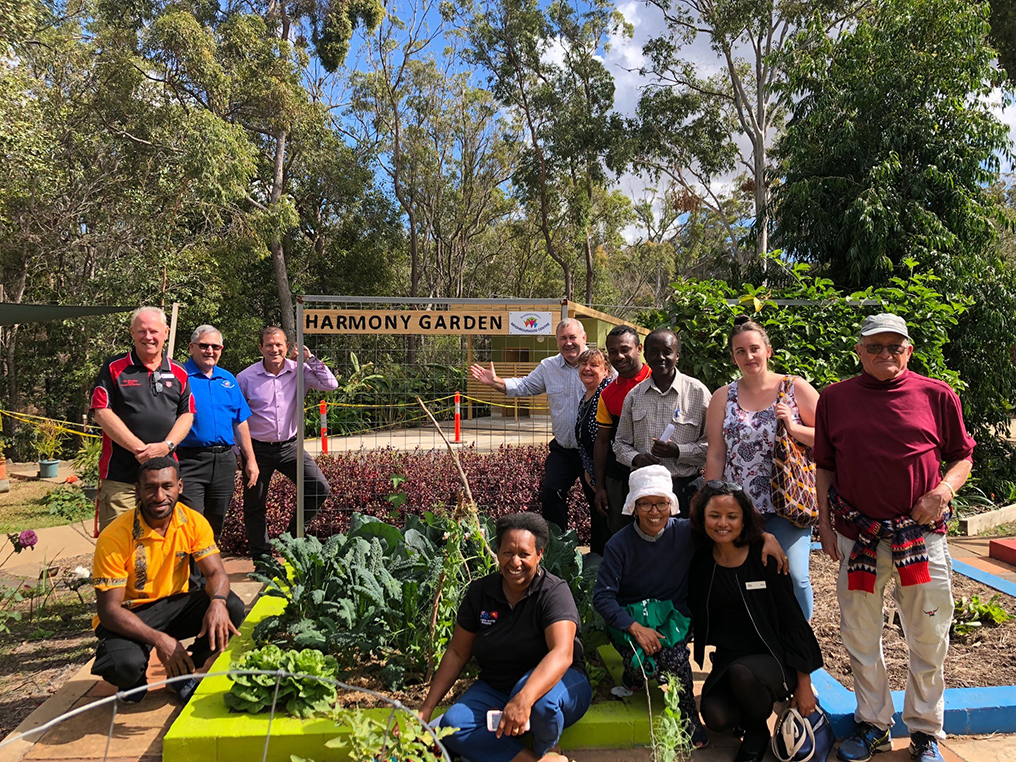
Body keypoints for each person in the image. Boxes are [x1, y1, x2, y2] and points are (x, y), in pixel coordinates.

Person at [813, 314, 974, 762]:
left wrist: (942, 491)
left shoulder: (936, 395)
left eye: (894, 346)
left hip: (919, 538)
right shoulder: (835, 398)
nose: (885, 354)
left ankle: (924, 731)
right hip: (857, 537)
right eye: (875, 347)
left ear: (909, 349)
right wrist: (825, 526)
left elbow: (963, 456)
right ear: (859, 351)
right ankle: (873, 724)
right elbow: (824, 465)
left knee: (928, 634)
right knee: (860, 635)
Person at [419, 513, 591, 762]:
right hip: (497, 686)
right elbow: (457, 652)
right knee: (454, 725)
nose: (515, 562)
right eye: (508, 553)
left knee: (542, 707)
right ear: (497, 552)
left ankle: (549, 750)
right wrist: (426, 710)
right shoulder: (481, 592)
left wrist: (523, 699)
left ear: (540, 554)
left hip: (559, 684)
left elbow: (561, 653)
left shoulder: (553, 592)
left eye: (524, 554)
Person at [90, 457, 245, 702]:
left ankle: (184, 671)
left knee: (231, 607)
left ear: (180, 486)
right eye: (150, 488)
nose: (160, 496)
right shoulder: (115, 536)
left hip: (175, 604)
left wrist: (217, 602)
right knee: (122, 666)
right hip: (131, 612)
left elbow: (217, 574)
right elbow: (109, 610)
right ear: (137, 490)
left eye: (167, 486)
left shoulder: (192, 521)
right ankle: (136, 680)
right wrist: (161, 641)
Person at [688, 481, 823, 762]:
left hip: (773, 657)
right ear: (703, 518)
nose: (722, 523)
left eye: (732, 516)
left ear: (744, 519)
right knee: (715, 717)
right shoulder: (701, 562)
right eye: (714, 516)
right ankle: (751, 711)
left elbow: (793, 621)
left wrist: (804, 683)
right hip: (728, 659)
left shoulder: (765, 558)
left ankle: (757, 732)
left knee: (743, 673)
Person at [704, 316, 820, 619]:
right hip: (739, 507)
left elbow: (831, 437)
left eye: (754, 349)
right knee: (747, 576)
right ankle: (758, 646)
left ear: (768, 350)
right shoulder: (723, 396)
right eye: (740, 352)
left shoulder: (794, 388)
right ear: (733, 357)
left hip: (788, 502)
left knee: (793, 576)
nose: (748, 357)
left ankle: (800, 645)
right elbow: (716, 454)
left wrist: (793, 427)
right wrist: (710, 501)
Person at [592, 465, 708, 748]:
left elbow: (729, 532)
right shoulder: (619, 545)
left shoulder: (686, 534)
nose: (654, 511)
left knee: (675, 659)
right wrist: (635, 628)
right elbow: (603, 598)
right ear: (634, 506)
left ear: (672, 504)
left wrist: (765, 539)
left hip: (673, 619)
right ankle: (635, 673)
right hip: (630, 621)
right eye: (645, 504)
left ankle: (688, 715)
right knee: (645, 660)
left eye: (661, 503)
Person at [471, 319, 611, 531]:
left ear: (584, 338)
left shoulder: (599, 364)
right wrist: (496, 382)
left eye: (573, 337)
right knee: (551, 491)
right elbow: (525, 386)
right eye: (563, 338)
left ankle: (601, 556)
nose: (568, 343)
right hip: (563, 449)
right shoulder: (549, 367)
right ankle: (557, 549)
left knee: (598, 501)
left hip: (594, 451)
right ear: (557, 342)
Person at [237, 327, 338, 561]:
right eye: (269, 345)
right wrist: (240, 452)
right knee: (255, 505)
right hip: (257, 449)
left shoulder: (299, 371)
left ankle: (290, 540)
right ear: (260, 348)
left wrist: (309, 359)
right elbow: (236, 417)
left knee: (319, 488)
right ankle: (262, 560)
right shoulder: (245, 378)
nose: (274, 349)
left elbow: (330, 384)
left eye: (279, 344)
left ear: (287, 347)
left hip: (290, 448)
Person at [90, 306, 195, 532]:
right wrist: (141, 450)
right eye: (142, 331)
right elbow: (101, 411)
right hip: (121, 479)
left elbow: (187, 414)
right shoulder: (114, 368)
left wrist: (166, 446)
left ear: (166, 332)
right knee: (118, 545)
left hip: (164, 481)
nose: (148, 337)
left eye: (154, 331)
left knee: (164, 544)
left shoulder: (179, 371)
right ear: (132, 333)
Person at [613, 328, 709, 517]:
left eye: (667, 351)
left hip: (685, 488)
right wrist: (636, 458)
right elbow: (620, 444)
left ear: (677, 355)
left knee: (688, 543)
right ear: (645, 355)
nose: (660, 357)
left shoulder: (698, 393)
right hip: (646, 490)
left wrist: (678, 451)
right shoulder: (634, 396)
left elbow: (713, 446)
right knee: (649, 544)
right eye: (654, 352)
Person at [177, 325, 259, 543]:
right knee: (192, 523)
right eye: (204, 346)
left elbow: (240, 422)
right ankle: (189, 576)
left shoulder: (228, 379)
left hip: (224, 462)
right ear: (192, 347)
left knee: (215, 524)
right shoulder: (179, 377)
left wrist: (250, 459)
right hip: (190, 460)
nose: (210, 351)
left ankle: (205, 575)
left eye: (215, 346)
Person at [593, 325, 650, 537]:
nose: (619, 356)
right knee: (621, 534)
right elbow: (602, 441)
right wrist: (600, 486)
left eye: (625, 349)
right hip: (618, 479)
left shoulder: (656, 381)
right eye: (613, 351)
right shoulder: (607, 394)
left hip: (653, 476)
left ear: (639, 348)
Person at [573, 347, 613, 555]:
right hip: (592, 474)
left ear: (606, 370)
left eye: (594, 365)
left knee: (606, 527)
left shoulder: (605, 394)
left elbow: (605, 441)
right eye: (583, 364)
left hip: (605, 478)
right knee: (598, 524)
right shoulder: (587, 395)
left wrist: (599, 478)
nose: (587, 369)